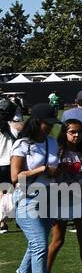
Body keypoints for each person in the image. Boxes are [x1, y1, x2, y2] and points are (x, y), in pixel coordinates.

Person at [9, 104, 66, 273]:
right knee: (40, 244)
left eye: (52, 124)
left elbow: (54, 170)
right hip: (27, 199)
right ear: (36, 122)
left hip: (49, 198)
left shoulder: (51, 142)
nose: (50, 128)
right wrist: (43, 169)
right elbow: (16, 178)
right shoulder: (23, 144)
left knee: (35, 245)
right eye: (47, 123)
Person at [45, 116, 82, 273]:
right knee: (58, 240)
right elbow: (50, 174)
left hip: (80, 198)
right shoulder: (57, 152)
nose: (76, 135)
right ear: (65, 133)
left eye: (79, 132)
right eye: (72, 132)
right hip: (59, 199)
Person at [0, 96, 18, 236]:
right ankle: (5, 218)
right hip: (9, 163)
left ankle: (2, 222)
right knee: (9, 192)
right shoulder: (15, 127)